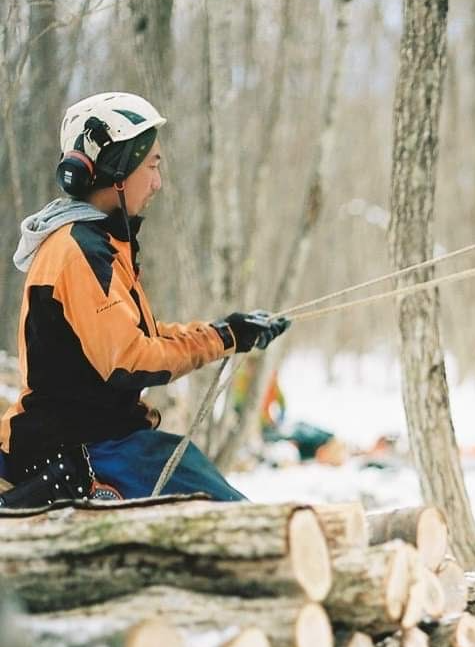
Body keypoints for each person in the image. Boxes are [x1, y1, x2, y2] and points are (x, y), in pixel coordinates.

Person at [0, 92, 290, 507]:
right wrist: (221, 340)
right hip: (84, 446)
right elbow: (131, 358)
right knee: (229, 513)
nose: (158, 182)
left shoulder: (97, 244)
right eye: (152, 165)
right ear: (116, 169)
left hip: (103, 437)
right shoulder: (79, 253)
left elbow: (138, 336)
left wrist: (227, 334)